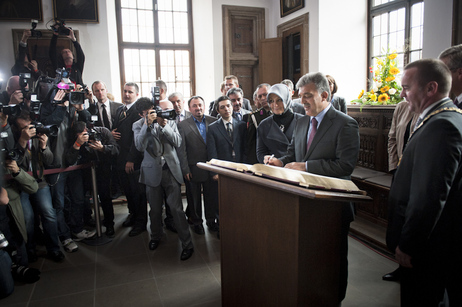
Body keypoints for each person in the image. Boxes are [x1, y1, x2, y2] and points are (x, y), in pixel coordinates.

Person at [266, 72, 360, 304]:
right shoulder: (301, 120)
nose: (302, 101)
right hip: (302, 202)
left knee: (333, 260)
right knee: (308, 257)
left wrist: (306, 166)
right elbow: (293, 152)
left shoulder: (345, 123)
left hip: (332, 205)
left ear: (325, 95)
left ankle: (334, 299)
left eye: (308, 95)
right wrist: (279, 161)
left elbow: (345, 165)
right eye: (300, 96)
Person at [386, 58, 462, 306]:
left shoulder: (441, 126)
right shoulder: (444, 117)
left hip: (428, 246)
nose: (402, 94)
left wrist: (409, 244)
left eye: (407, 87)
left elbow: (429, 196)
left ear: (431, 88)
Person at [133, 98, 194, 261]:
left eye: (152, 110)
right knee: (154, 209)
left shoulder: (168, 120)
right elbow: (139, 146)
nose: (152, 113)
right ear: (141, 114)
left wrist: (164, 125)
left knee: (176, 210)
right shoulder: (138, 125)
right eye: (147, 112)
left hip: (170, 170)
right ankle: (155, 236)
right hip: (152, 171)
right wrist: (147, 124)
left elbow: (177, 141)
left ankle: (187, 243)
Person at [382, 99, 419, 282]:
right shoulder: (402, 106)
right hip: (400, 172)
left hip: (419, 175)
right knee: (398, 219)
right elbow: (392, 137)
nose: (403, 92)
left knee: (414, 219)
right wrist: (395, 167)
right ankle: (401, 267)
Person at [66, 122, 119, 237]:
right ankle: (86, 221)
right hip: (83, 173)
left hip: (102, 171)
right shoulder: (75, 139)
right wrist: (78, 144)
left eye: (86, 132)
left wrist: (102, 148)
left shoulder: (103, 132)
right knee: (82, 198)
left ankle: (109, 224)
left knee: (105, 197)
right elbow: (70, 160)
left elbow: (116, 150)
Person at [178, 96, 218, 234]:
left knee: (211, 196)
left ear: (204, 106)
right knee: (194, 198)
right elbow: (181, 149)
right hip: (193, 168)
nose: (198, 108)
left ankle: (211, 221)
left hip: (211, 167)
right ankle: (197, 222)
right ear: (189, 109)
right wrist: (185, 168)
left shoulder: (213, 121)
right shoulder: (183, 125)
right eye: (194, 106)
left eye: (200, 105)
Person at [112, 82, 147, 237]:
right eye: (125, 91)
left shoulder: (138, 111)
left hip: (133, 159)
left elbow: (136, 139)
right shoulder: (120, 109)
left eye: (130, 92)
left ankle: (141, 223)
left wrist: (131, 159)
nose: (126, 94)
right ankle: (132, 215)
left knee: (137, 192)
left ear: (136, 94)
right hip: (120, 157)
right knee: (128, 191)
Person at [256, 84, 303, 164]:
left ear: (286, 99)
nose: (275, 105)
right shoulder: (264, 125)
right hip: (273, 170)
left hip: (296, 170)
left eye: (279, 100)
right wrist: (265, 159)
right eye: (271, 101)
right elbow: (260, 152)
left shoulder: (302, 121)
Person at [243, 83, 272, 164]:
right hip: (263, 158)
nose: (263, 98)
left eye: (265, 95)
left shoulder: (280, 113)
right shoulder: (254, 117)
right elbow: (251, 144)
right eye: (260, 96)